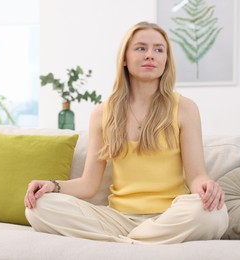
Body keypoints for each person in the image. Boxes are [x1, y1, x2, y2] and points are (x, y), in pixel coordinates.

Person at [24, 21, 228, 244]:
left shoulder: (185, 108)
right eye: (141, 48)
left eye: (159, 50)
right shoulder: (101, 113)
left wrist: (207, 187)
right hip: (118, 218)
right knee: (39, 208)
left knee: (214, 214)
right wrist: (52, 186)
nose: (151, 55)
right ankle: (144, 241)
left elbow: (196, 175)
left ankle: (126, 243)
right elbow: (89, 184)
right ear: (124, 58)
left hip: (170, 215)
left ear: (166, 60)